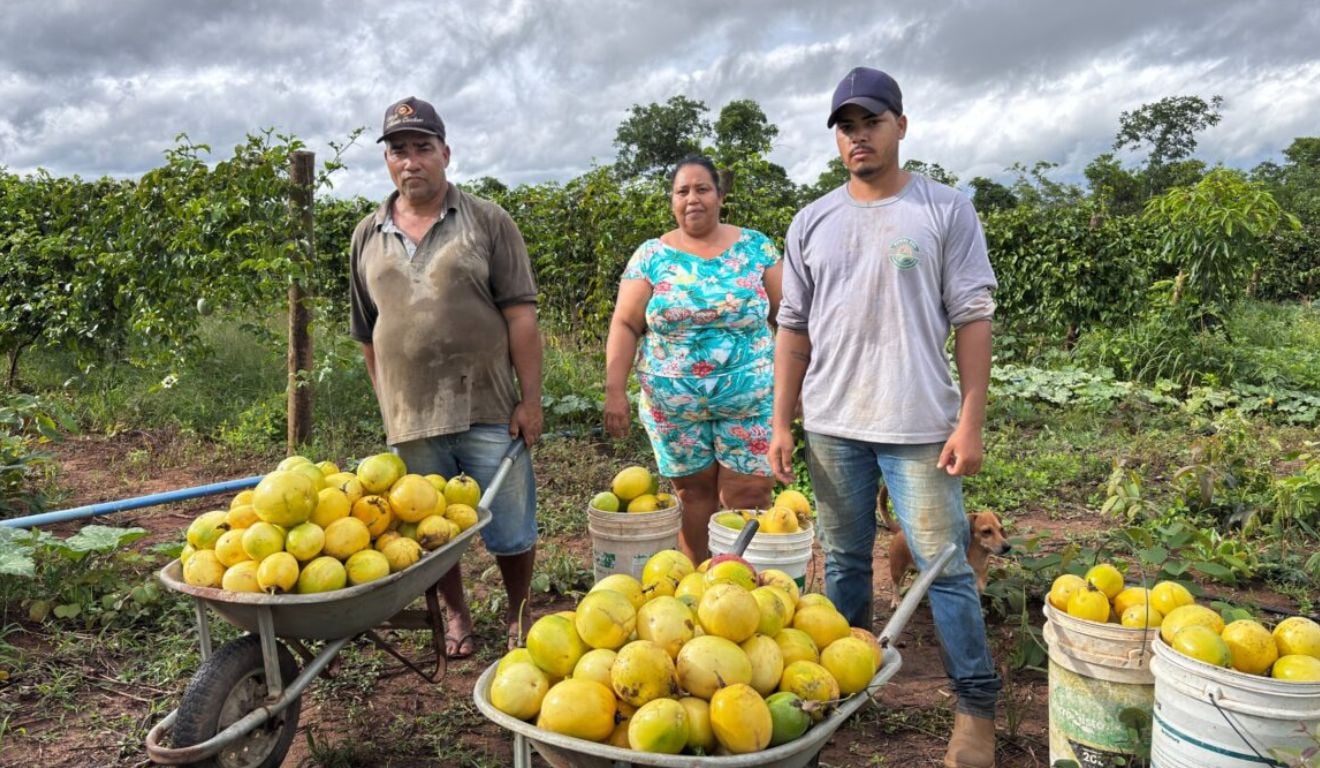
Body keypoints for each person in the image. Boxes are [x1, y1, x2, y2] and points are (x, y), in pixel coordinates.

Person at [767, 68, 1001, 767]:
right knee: (842, 563)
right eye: (845, 126)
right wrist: (783, 422)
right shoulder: (811, 220)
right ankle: (842, 690)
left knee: (943, 567)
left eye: (870, 122)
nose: (856, 136)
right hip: (833, 424)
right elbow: (793, 329)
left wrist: (971, 421)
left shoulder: (943, 210)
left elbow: (973, 317)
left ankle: (976, 709)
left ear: (901, 125)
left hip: (919, 425)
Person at [349, 96, 543, 658]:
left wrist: (530, 401)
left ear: (445, 153)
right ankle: (456, 614)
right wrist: (388, 404)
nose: (411, 161)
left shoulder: (486, 219)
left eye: (422, 148)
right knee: (428, 533)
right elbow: (368, 333)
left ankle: (517, 613)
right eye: (399, 150)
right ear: (388, 160)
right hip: (411, 417)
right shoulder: (368, 233)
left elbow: (521, 316)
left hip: (488, 405)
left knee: (509, 527)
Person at [604, 154, 782, 564]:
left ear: (720, 196)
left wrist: (799, 386)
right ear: (672, 201)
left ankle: (745, 587)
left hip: (750, 404)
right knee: (692, 495)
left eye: (702, 188)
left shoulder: (756, 247)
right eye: (682, 191)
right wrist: (614, 390)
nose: (692, 198)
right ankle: (700, 581)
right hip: (674, 411)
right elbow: (625, 324)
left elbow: (788, 319)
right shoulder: (651, 256)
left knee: (749, 497)